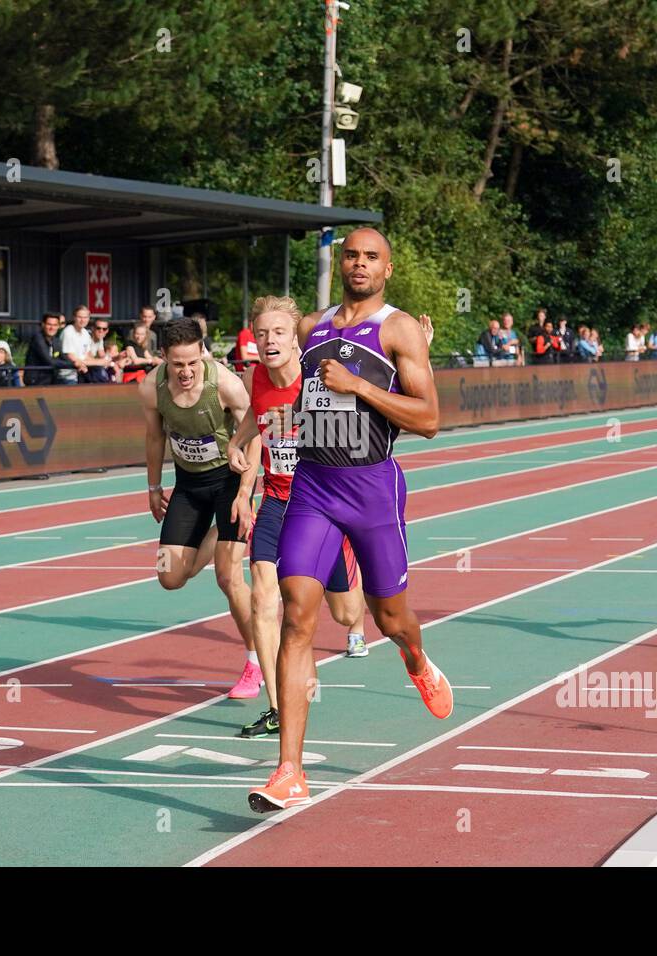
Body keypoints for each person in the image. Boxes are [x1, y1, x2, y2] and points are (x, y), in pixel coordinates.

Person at [248, 227, 452, 814]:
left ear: (387, 268)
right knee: (295, 616)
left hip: (372, 488)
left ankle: (415, 660)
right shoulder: (312, 329)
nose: (359, 264)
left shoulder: (398, 328)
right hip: (313, 486)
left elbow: (430, 418)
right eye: (352, 255)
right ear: (341, 263)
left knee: (390, 616)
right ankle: (290, 770)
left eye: (371, 257)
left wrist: (359, 385)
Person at [225, 296, 372, 738]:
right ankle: (277, 706)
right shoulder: (255, 377)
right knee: (263, 599)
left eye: (279, 333)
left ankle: (344, 567)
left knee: (345, 614)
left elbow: (364, 422)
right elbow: (257, 413)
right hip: (276, 499)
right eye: (262, 333)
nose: (269, 341)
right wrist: (238, 444)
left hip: (322, 501)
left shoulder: (319, 377)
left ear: (295, 339)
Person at [140, 319, 259, 698]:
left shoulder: (225, 384)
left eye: (193, 362)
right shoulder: (151, 388)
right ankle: (219, 534)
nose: (187, 371)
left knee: (228, 576)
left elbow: (254, 435)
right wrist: (154, 485)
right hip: (189, 485)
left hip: (228, 482)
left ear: (203, 352)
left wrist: (244, 492)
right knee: (170, 576)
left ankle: (255, 662)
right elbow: (154, 435)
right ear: (163, 358)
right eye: (178, 364)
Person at [24, 313, 75, 386]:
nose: (52, 328)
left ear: (58, 326)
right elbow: (50, 361)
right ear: (43, 325)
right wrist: (73, 364)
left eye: (55, 325)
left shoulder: (56, 341)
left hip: (50, 380)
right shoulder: (38, 339)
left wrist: (78, 363)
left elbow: (63, 357)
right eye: (49, 324)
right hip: (35, 381)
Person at [59, 307, 94, 384]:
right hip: (67, 375)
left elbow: (87, 355)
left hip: (82, 372)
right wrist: (100, 362)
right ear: (74, 317)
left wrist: (104, 362)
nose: (82, 320)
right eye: (80, 317)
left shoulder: (86, 333)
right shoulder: (68, 332)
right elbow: (70, 356)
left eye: (85, 317)